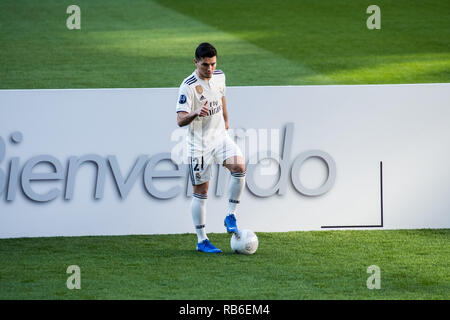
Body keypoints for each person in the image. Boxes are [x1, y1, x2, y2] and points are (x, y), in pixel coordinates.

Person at [176, 42, 246, 253]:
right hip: (199, 146)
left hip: (219, 138)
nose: (209, 69)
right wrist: (195, 114)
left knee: (239, 167)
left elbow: (221, 96)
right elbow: (180, 120)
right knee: (202, 191)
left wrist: (225, 119)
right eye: (205, 65)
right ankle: (201, 240)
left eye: (213, 64)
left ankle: (230, 215)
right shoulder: (188, 86)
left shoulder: (220, 76)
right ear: (196, 62)